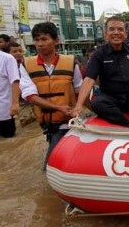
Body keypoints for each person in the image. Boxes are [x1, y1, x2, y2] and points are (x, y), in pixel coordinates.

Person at [19, 22, 82, 170]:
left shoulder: (71, 62)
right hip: (46, 121)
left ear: (56, 41)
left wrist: (92, 111)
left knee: (49, 167)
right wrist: (58, 107)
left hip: (68, 120)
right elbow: (30, 96)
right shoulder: (26, 64)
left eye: (44, 39)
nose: (40, 44)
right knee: (58, 154)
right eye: (37, 39)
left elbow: (80, 90)